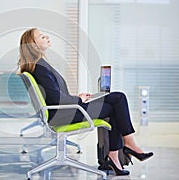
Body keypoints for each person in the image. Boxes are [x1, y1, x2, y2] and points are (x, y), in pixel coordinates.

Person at [18, 28, 153, 176]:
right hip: (63, 114)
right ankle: (127, 145)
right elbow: (55, 99)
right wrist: (78, 100)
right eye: (42, 37)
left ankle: (115, 156)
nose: (47, 37)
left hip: (64, 110)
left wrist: (77, 97)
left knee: (115, 102)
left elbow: (54, 95)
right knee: (118, 99)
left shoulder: (39, 65)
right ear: (34, 45)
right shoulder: (40, 67)